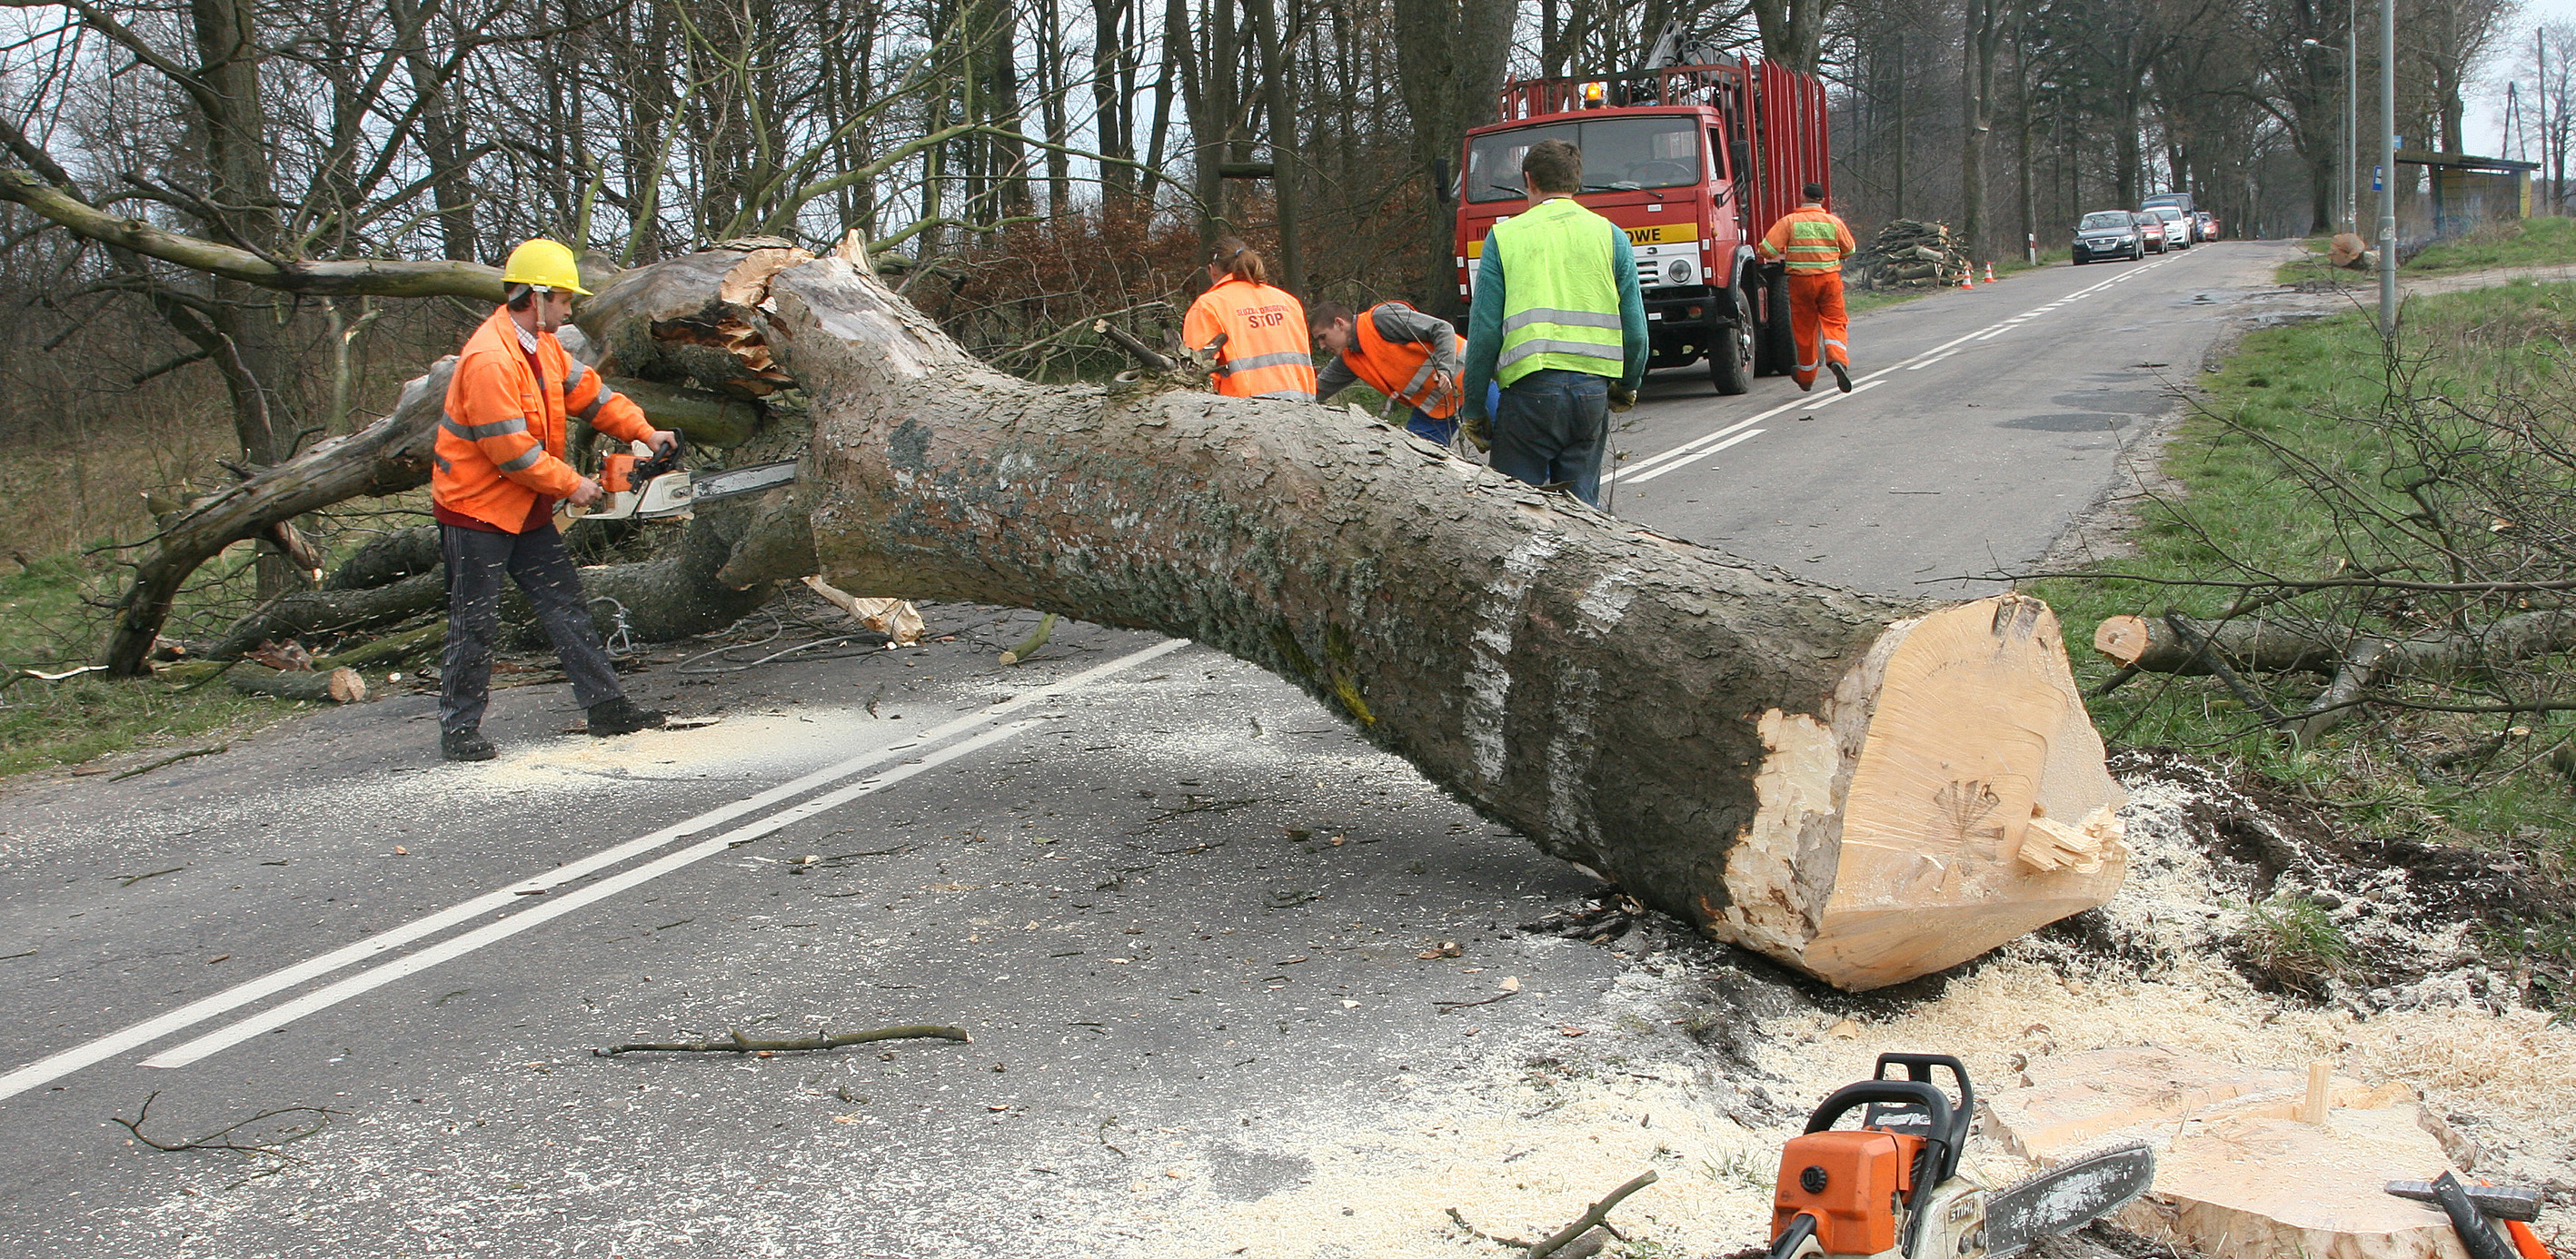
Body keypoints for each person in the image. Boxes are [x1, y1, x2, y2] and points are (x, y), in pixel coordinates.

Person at [432, 238, 676, 762]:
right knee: (474, 619)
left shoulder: (540, 345)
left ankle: (606, 707)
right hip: (475, 509)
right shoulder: (489, 359)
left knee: (566, 604)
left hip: (525, 505)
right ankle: (459, 729)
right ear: (537, 296)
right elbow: (511, 452)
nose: (570, 309)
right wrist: (573, 485)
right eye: (565, 299)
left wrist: (645, 432)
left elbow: (590, 395)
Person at [1459, 139, 1646, 507]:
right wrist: (1626, 386)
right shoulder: (1611, 237)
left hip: (1528, 396)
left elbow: (1483, 335)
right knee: (1582, 517)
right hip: (1590, 393)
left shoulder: (1505, 238)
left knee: (1517, 513)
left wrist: (1475, 408)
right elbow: (1636, 333)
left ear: (1528, 180)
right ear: (1576, 182)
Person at [1310, 300, 1464, 445]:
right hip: (1437, 406)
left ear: (1339, 323)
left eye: (1323, 337)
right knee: (1416, 464)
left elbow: (1442, 328)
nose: (1322, 346)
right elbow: (1316, 390)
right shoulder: (1348, 359)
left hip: (1474, 378)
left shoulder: (1381, 319)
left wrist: (1444, 369)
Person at [1181, 236, 1317, 401]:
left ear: (1212, 270)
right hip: (1302, 407)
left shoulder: (1207, 306)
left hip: (1243, 413)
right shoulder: (1288, 302)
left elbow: (1199, 373)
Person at [1757, 183, 1858, 393]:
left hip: (1800, 282)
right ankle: (1837, 359)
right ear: (1822, 200)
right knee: (1835, 321)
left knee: (1804, 330)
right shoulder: (1833, 222)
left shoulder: (1790, 222)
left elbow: (1766, 249)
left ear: (1802, 197)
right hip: (1829, 280)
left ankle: (1806, 376)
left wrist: (1782, 253)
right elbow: (1850, 249)